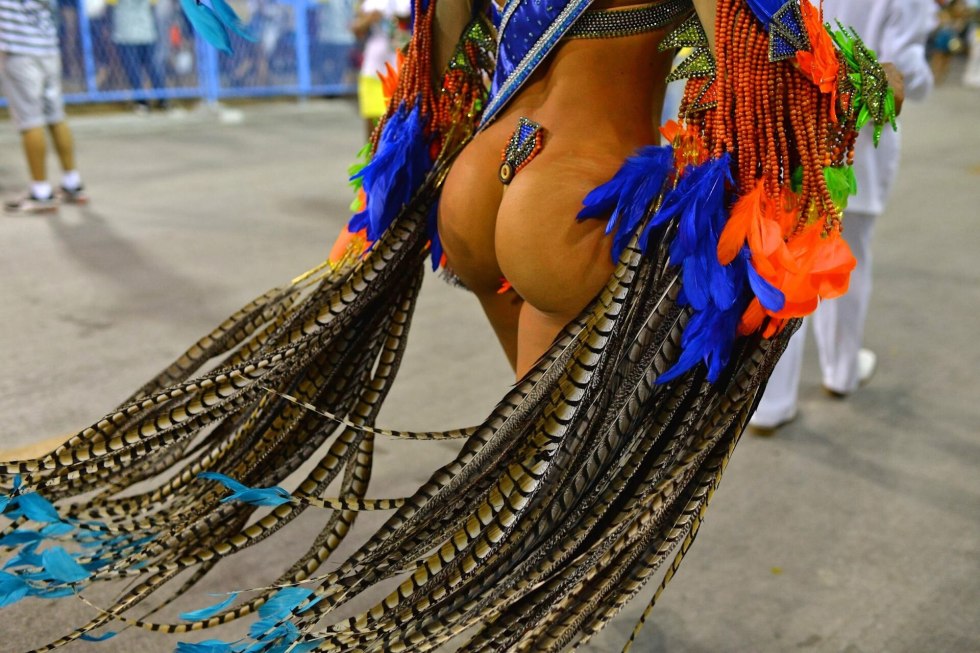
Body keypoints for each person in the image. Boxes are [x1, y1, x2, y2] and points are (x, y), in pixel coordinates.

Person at [0, 0, 903, 649]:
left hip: (477, 185)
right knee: (553, 469)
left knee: (538, 421)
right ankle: (535, 611)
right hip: (577, 192)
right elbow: (767, 77)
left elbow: (434, 75)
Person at [748, 0, 937, 435]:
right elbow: (905, 66)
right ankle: (841, 371)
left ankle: (771, 403)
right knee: (847, 264)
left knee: (788, 265)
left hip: (796, 135)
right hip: (859, 146)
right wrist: (921, 81)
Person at [0, 0, 88, 214]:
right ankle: (72, 183)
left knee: (30, 121)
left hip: (19, 50)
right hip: (47, 47)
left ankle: (41, 193)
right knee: (55, 117)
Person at [350, 0, 409, 139]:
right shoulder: (370, 3)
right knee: (374, 130)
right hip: (373, 71)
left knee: (400, 128)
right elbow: (356, 30)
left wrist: (403, 18)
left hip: (401, 71)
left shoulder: (408, 3)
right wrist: (369, 19)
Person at [109, 0, 169, 111]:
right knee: (147, 67)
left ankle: (147, 101)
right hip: (140, 32)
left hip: (130, 33)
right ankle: (159, 99)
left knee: (140, 68)